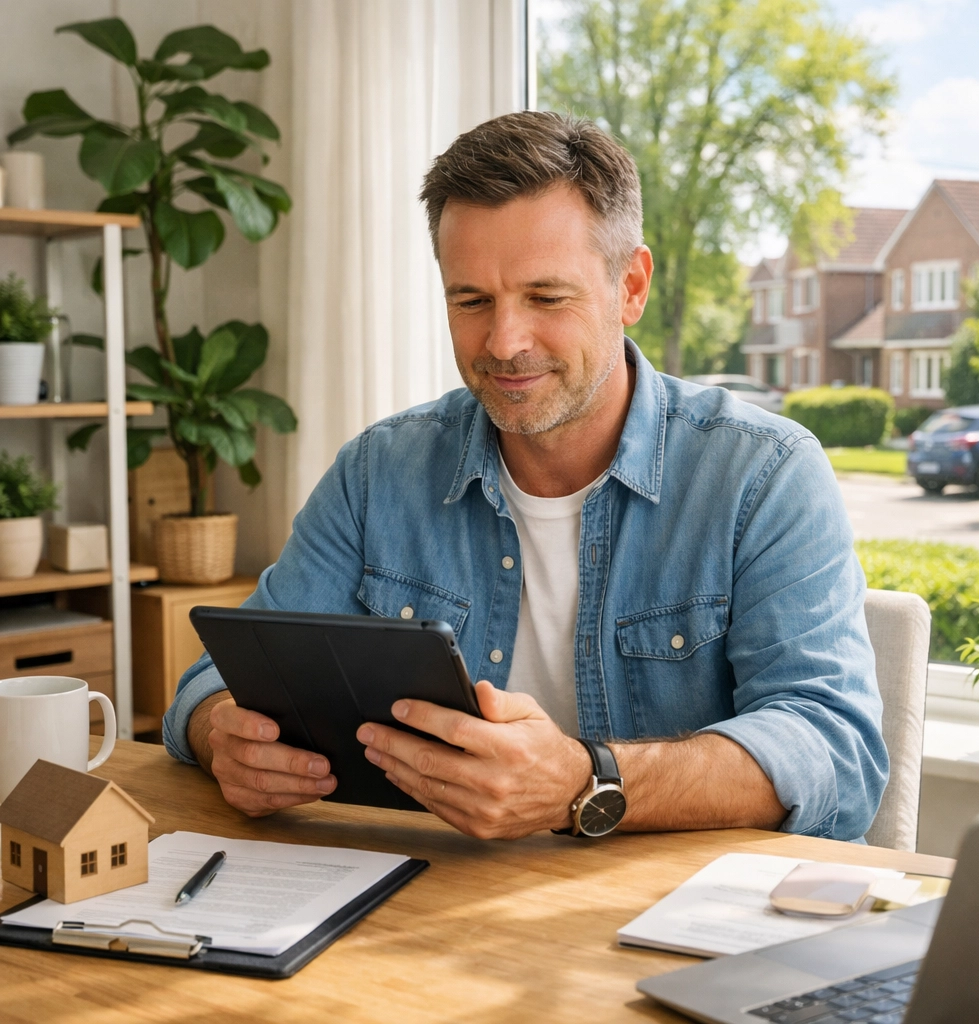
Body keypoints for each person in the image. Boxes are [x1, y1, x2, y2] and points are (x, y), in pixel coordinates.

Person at [164, 111, 887, 842]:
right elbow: (212, 681)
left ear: (630, 287)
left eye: (546, 297)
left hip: (685, 918)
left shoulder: (763, 473)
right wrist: (222, 732)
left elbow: (836, 751)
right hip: (436, 905)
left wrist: (588, 781)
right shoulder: (377, 472)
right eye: (471, 300)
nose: (505, 342)